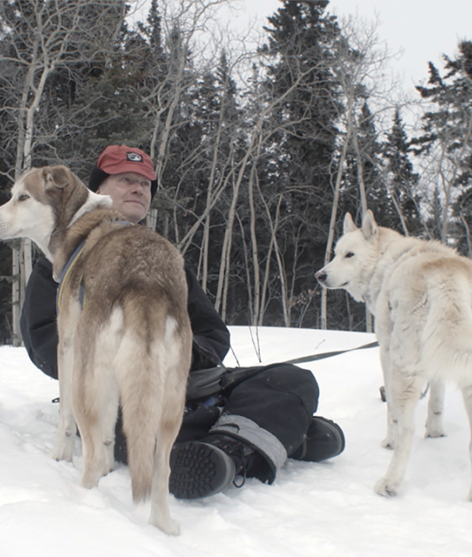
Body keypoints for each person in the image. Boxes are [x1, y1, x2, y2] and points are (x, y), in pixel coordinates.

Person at [20, 145, 345, 499]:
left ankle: (231, 443)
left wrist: (183, 353)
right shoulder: (62, 259)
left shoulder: (161, 257)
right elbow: (44, 343)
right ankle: (262, 439)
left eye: (145, 184)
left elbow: (213, 333)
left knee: (290, 379)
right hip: (118, 396)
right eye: (126, 180)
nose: (138, 189)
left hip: (189, 384)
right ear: (95, 191)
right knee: (134, 429)